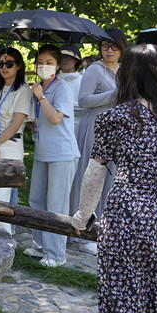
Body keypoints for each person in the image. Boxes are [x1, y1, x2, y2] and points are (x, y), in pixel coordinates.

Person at [72, 43, 157, 313]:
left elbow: (95, 172)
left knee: (122, 298)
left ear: (126, 75)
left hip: (127, 215)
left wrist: (82, 216)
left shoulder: (115, 117)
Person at [69, 28, 128, 255]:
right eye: (105, 46)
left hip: (117, 128)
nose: (109, 51)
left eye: (114, 47)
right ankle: (81, 231)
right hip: (94, 125)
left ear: (122, 48)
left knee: (111, 181)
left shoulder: (124, 70)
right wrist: (114, 94)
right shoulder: (95, 69)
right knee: (89, 178)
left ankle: (104, 230)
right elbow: (84, 100)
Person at [22, 45, 80, 268]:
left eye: (49, 63)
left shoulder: (62, 87)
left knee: (56, 205)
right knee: (36, 200)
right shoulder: (37, 87)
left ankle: (56, 254)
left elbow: (56, 118)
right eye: (40, 62)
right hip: (42, 151)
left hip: (62, 153)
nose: (43, 66)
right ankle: (39, 246)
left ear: (57, 66)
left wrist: (41, 97)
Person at [0, 47, 33, 234]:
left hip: (10, 146)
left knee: (1, 196)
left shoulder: (23, 91)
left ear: (18, 66)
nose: (4, 67)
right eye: (1, 64)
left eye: (9, 64)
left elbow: (15, 124)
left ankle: (2, 239)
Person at [57, 43, 84, 136]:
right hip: (58, 125)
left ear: (76, 60)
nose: (64, 60)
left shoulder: (83, 80)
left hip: (79, 124)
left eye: (68, 57)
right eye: (62, 57)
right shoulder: (53, 81)